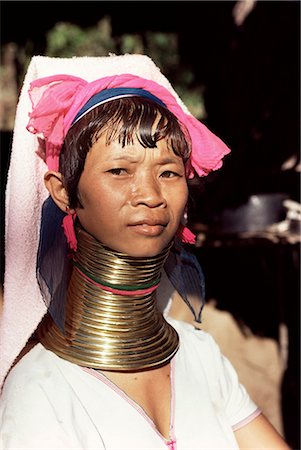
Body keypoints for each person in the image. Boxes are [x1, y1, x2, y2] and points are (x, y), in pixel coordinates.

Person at [0, 54, 289, 449]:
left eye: (168, 172)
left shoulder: (199, 355)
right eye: (119, 171)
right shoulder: (40, 393)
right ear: (64, 191)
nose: (152, 196)